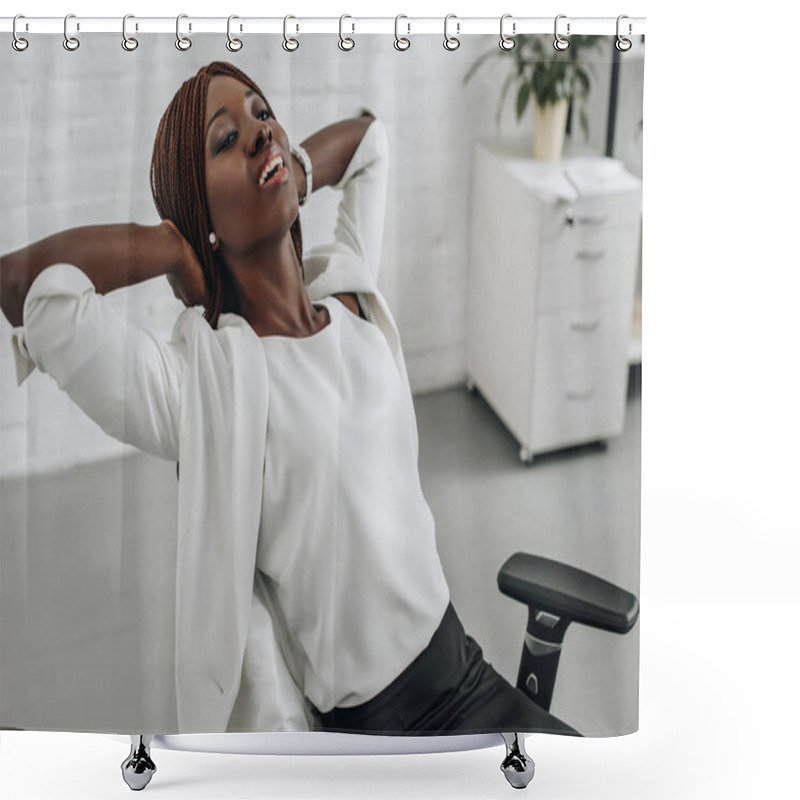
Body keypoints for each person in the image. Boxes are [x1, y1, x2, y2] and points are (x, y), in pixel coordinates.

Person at [0, 61, 575, 737]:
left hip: (470, 675)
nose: (259, 133)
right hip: (380, 743)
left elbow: (369, 143)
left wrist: (292, 172)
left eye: (262, 113)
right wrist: (169, 247)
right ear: (198, 208)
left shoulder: (352, 297)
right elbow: (25, 287)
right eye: (224, 139)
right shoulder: (204, 392)